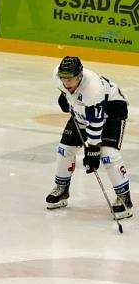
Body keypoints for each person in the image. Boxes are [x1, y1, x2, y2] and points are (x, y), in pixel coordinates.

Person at [46, 56, 132, 219]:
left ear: (80, 76)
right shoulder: (58, 76)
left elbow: (95, 124)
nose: (67, 83)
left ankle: (124, 198)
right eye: (64, 79)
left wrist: (92, 152)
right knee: (65, 150)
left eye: (70, 79)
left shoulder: (93, 90)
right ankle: (62, 189)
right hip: (83, 109)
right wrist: (65, 96)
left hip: (112, 112)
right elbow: (65, 90)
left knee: (108, 155)